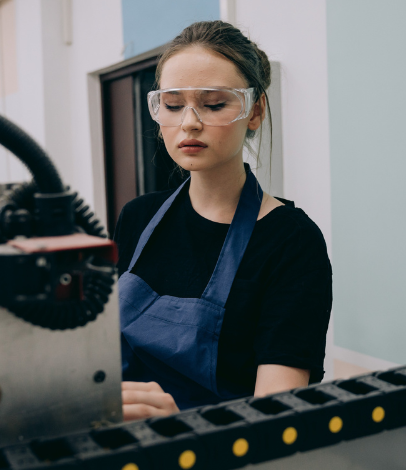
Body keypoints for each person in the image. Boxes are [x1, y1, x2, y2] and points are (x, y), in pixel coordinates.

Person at [114, 21, 332, 421]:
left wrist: (177, 426)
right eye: (173, 104)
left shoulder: (292, 242)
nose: (190, 122)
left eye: (214, 104)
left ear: (255, 111)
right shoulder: (137, 218)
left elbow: (276, 416)